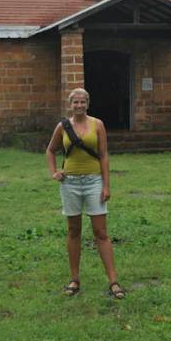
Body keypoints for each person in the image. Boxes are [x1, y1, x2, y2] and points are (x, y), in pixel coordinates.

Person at [46, 87, 125, 299]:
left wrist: (106, 185)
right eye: (75, 102)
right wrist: (54, 172)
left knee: (101, 232)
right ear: (70, 105)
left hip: (94, 182)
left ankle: (113, 281)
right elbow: (50, 150)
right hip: (70, 183)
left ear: (87, 104)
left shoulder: (97, 124)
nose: (79, 106)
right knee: (73, 231)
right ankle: (74, 279)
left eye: (82, 102)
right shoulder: (62, 127)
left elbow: (104, 155)